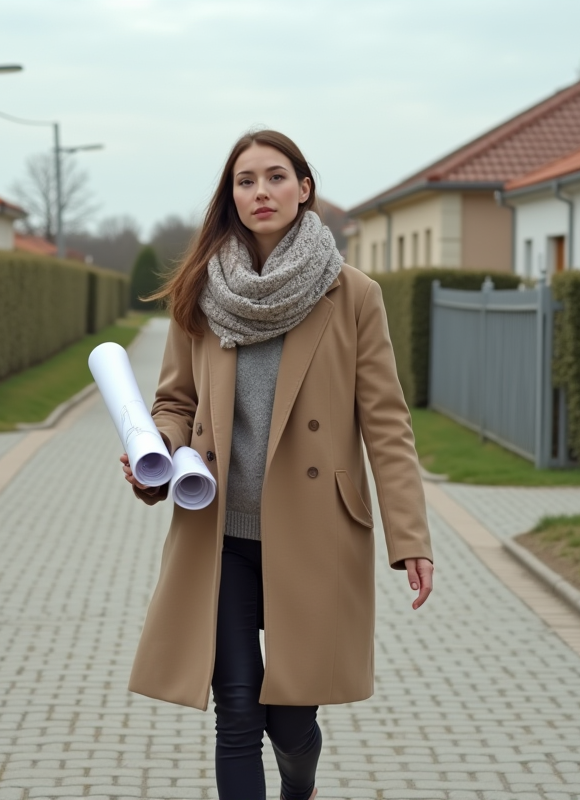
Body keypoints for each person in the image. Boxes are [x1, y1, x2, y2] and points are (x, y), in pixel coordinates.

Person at [120, 129, 434, 800]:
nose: (260, 191)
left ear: (304, 188)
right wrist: (158, 451)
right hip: (221, 533)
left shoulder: (353, 295)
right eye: (245, 181)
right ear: (230, 197)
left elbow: (385, 422)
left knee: (291, 719)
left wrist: (410, 537)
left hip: (315, 531)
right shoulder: (201, 290)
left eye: (275, 177)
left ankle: (300, 786)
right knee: (236, 712)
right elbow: (174, 399)